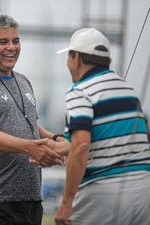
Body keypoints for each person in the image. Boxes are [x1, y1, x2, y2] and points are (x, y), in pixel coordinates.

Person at [0, 14, 69, 225]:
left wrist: (56, 139)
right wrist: (32, 148)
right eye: (3, 41)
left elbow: (29, 125)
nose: (12, 47)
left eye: (15, 41)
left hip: (32, 196)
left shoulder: (23, 81)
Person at [54, 27, 150, 225]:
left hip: (103, 191)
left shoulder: (80, 91)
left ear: (77, 58)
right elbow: (99, 140)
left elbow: (80, 147)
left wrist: (66, 204)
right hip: (144, 190)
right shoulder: (128, 90)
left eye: (69, 57)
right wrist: (50, 144)